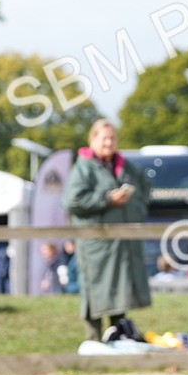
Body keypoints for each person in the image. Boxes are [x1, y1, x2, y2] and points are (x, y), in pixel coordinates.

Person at [62, 119, 152, 340]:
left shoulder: (126, 166)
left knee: (120, 290)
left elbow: (145, 190)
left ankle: (118, 339)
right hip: (95, 244)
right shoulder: (83, 167)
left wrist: (136, 207)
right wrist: (106, 199)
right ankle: (93, 341)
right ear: (92, 139)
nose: (109, 142)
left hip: (121, 241)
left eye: (112, 138)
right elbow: (72, 200)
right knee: (95, 291)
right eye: (104, 138)